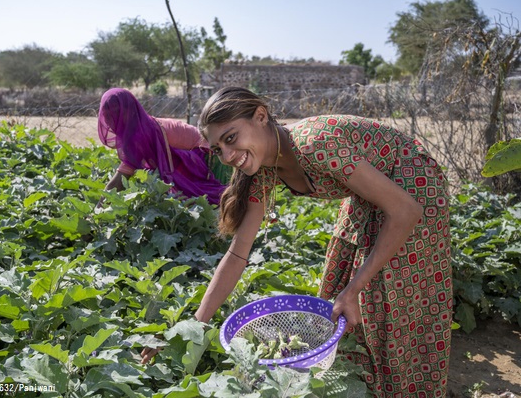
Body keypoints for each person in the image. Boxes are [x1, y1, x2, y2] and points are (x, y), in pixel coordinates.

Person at [143, 86, 453, 397]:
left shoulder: (315, 144)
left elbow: (405, 211)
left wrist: (355, 289)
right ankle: (367, 386)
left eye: (231, 138)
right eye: (217, 148)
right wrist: (191, 327)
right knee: (341, 289)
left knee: (387, 298)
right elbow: (237, 254)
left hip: (413, 186)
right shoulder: (264, 170)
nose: (226, 155)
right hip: (372, 194)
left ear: (261, 117)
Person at [97, 88, 230, 205]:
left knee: (220, 202)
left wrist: (99, 208)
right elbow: (124, 172)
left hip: (208, 154)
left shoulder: (145, 133)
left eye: (118, 114)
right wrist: (98, 211)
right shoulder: (132, 137)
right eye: (108, 116)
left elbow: (121, 177)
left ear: (131, 111)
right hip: (200, 151)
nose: (113, 120)